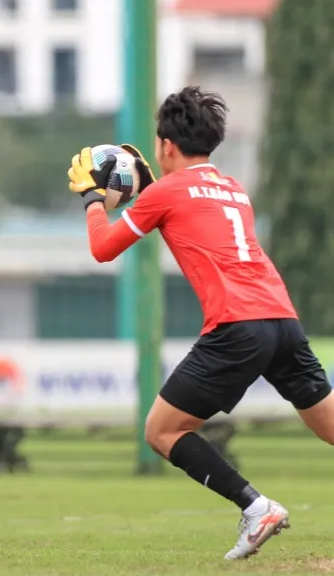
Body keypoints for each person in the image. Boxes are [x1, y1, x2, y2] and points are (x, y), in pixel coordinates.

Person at [67, 85, 334, 560]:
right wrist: (149, 188)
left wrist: (92, 197)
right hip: (282, 319)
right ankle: (257, 510)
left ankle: (257, 508)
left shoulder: (166, 191)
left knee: (161, 432)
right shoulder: (234, 188)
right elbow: (189, 208)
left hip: (238, 326)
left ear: (166, 145)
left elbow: (102, 248)